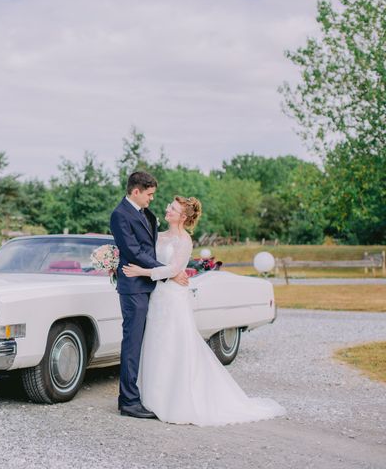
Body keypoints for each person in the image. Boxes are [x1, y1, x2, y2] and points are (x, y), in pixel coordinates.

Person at [122, 196, 286, 426]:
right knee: (155, 343)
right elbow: (148, 255)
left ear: (183, 217)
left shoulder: (184, 240)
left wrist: (142, 272)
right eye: (169, 206)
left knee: (173, 344)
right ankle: (152, 398)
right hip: (157, 296)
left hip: (173, 298)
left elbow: (175, 269)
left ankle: (175, 401)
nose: (167, 210)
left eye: (173, 208)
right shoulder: (158, 235)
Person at [109, 172, 189, 418]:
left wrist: (170, 270)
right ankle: (129, 402)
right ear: (136, 191)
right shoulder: (120, 215)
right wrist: (167, 273)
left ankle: (142, 393)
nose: (152, 199)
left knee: (147, 344)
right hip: (134, 287)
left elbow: (154, 248)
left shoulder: (147, 215)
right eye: (149, 194)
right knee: (132, 343)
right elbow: (132, 251)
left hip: (151, 287)